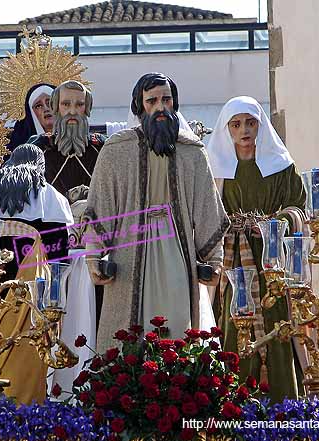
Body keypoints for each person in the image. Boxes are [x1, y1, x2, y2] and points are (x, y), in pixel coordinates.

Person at [84, 72, 229, 352]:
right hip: (128, 257)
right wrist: (93, 257)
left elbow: (208, 210)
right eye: (152, 101)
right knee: (129, 331)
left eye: (166, 99)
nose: (161, 107)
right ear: (140, 108)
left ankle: (176, 388)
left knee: (176, 327)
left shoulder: (192, 153)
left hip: (176, 253)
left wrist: (215, 261)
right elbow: (99, 209)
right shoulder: (116, 151)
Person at [205, 95, 307, 403]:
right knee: (233, 325)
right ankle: (234, 403)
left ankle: (283, 402)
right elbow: (205, 211)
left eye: (251, 123)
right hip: (233, 258)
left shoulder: (280, 166)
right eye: (236, 125)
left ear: (260, 126)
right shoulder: (217, 171)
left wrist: (274, 225)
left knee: (278, 321)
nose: (245, 130)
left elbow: (297, 206)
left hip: (270, 258)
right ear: (228, 131)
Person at [0, 143, 73, 404]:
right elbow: (60, 255)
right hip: (33, 291)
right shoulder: (50, 197)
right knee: (30, 349)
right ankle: (25, 416)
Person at [29, 80, 105, 198]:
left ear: (87, 108)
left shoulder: (101, 147)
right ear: (56, 108)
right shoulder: (39, 148)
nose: (72, 111)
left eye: (79, 105)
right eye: (66, 104)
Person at [7, 84, 55, 151]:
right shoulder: (23, 150)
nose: (46, 109)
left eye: (50, 103)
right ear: (32, 113)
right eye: (38, 106)